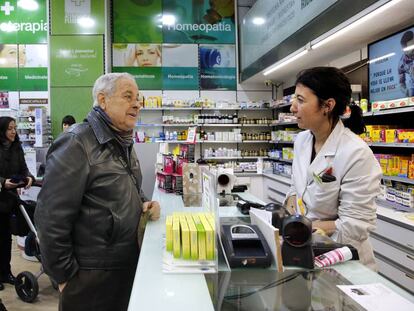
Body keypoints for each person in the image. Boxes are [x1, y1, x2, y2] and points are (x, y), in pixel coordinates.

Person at [34, 73, 161, 311]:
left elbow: (119, 190)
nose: (137, 103)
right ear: (102, 100)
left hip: (122, 270)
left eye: (138, 98)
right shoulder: (76, 143)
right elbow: (50, 219)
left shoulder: (122, 141)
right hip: (90, 280)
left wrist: (142, 204)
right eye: (128, 96)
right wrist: (64, 278)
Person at [284, 67, 382, 270]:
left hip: (344, 259)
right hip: (305, 250)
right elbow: (296, 188)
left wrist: (303, 226)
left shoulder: (356, 153)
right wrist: (292, 206)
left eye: (300, 100)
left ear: (327, 105)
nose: (292, 107)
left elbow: (355, 225)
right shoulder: (302, 140)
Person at [0, 117, 34, 291]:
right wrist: (3, 182)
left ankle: (6, 272)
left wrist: (28, 177)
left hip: (9, 200)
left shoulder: (17, 147)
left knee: (6, 240)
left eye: (15, 128)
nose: (13, 131)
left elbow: (24, 168)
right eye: (9, 129)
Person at [398, 30, 414, 97]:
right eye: (412, 49)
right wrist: (405, 90)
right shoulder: (402, 64)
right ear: (405, 50)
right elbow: (401, 83)